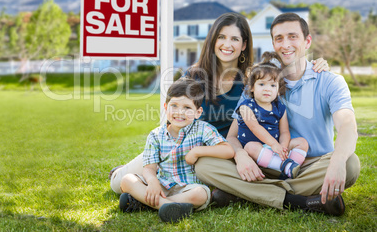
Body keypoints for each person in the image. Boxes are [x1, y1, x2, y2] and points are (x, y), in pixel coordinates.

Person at [109, 12, 328, 194]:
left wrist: (318, 63)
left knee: (199, 184)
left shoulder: (251, 81)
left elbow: (282, 75)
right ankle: (123, 173)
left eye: (234, 39)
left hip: (222, 154)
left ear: (243, 45)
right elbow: (171, 122)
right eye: (221, 37)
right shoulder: (193, 77)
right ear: (213, 40)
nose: (227, 44)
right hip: (183, 147)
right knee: (118, 184)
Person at [195, 13, 360, 216]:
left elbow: (347, 126)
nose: (286, 44)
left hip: (308, 167)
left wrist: (336, 161)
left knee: (350, 163)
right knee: (203, 165)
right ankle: (299, 201)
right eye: (279, 38)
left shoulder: (330, 81)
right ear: (273, 43)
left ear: (307, 41)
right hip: (263, 163)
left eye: (293, 36)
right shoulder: (261, 82)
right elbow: (232, 135)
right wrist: (241, 156)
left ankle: (244, 192)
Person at [119, 78, 235, 223]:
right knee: (127, 180)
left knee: (201, 194)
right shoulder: (156, 135)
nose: (180, 112)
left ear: (198, 112)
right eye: (174, 105)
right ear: (166, 107)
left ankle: (145, 204)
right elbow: (149, 168)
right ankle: (168, 206)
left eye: (187, 108)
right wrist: (153, 181)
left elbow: (228, 150)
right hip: (162, 184)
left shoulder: (203, 129)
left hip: (188, 188)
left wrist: (197, 151)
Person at [236, 51, 308, 179]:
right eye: (262, 84)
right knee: (250, 147)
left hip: (274, 150)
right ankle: (284, 167)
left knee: (301, 142)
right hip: (255, 152)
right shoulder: (246, 106)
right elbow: (255, 128)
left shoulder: (279, 108)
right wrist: (274, 144)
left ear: (278, 89)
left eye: (272, 85)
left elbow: (285, 131)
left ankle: (290, 167)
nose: (267, 88)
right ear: (252, 87)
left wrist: (283, 148)